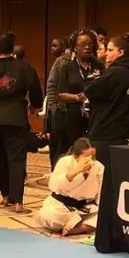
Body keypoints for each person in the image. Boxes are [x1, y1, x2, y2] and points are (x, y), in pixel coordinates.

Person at [0, 31, 43, 214]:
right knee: (17, 159)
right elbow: (36, 89)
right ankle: (18, 201)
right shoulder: (24, 67)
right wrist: (35, 106)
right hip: (16, 116)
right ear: (12, 50)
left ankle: (5, 196)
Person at [85, 33, 129, 168]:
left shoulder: (115, 72)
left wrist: (91, 79)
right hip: (124, 132)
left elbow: (90, 90)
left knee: (103, 174)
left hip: (106, 132)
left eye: (110, 50)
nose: (106, 54)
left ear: (120, 53)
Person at [49, 30, 101, 166]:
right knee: (71, 151)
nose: (87, 47)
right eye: (83, 44)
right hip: (72, 115)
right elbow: (60, 94)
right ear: (75, 48)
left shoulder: (99, 67)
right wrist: (79, 97)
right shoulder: (67, 67)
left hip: (94, 116)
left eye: (90, 44)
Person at [40, 137, 104, 236]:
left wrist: (102, 207)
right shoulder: (64, 162)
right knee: (50, 216)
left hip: (85, 208)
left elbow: (101, 192)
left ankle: (79, 228)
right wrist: (76, 171)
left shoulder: (99, 167)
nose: (90, 160)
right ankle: (75, 224)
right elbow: (54, 186)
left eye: (93, 156)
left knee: (105, 216)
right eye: (86, 157)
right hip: (62, 206)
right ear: (76, 156)